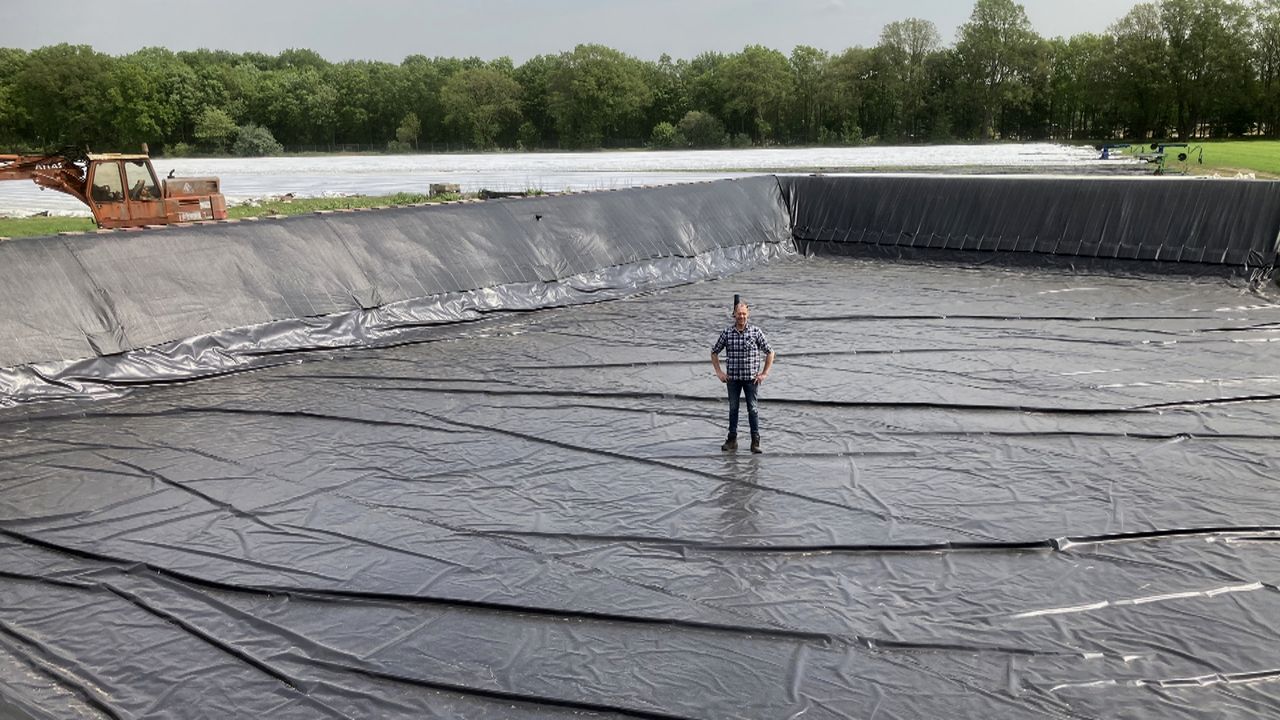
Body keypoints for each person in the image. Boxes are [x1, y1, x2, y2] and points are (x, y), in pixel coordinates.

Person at [711, 301, 775, 453]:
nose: (741, 316)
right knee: (733, 409)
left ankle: (755, 442)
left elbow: (770, 352)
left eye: (744, 314)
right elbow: (714, 352)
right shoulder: (727, 333)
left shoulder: (755, 332)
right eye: (739, 314)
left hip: (751, 380)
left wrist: (764, 373)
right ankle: (732, 440)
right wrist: (719, 372)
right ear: (734, 314)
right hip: (732, 379)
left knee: (752, 409)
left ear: (748, 314)